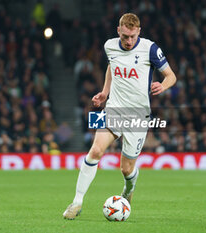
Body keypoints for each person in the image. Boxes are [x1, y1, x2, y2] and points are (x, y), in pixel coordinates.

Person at [63, 13, 177, 220]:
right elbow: (111, 67)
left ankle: (128, 190)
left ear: (139, 32)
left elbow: (171, 75)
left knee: (126, 169)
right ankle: (77, 202)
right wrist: (105, 92)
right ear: (118, 31)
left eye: (132, 36)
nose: (128, 41)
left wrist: (163, 84)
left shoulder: (150, 48)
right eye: (125, 36)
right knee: (95, 150)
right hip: (114, 109)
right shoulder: (110, 46)